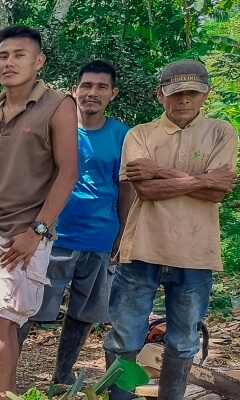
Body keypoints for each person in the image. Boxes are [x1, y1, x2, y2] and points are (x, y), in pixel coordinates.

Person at [103, 59, 238, 400]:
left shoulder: (221, 132)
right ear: (160, 94)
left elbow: (218, 193)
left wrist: (160, 171)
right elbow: (145, 190)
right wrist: (204, 179)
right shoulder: (140, 134)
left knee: (183, 339)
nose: (184, 100)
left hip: (195, 252)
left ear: (205, 94)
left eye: (192, 92)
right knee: (124, 336)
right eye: (176, 93)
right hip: (142, 247)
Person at [0, 26, 78, 400]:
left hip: (25, 233)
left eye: (19, 55)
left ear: (39, 61)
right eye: (3, 55)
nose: (8, 62)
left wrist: (37, 230)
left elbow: (68, 172)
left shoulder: (58, 105)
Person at [16, 60, 133, 386]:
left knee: (85, 311)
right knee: (27, 304)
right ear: (74, 90)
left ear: (113, 93)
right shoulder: (55, 127)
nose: (92, 93)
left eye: (101, 87)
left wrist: (123, 233)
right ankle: (0, 370)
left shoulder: (121, 134)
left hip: (100, 237)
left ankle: (62, 373)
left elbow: (125, 187)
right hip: (52, 234)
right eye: (87, 86)